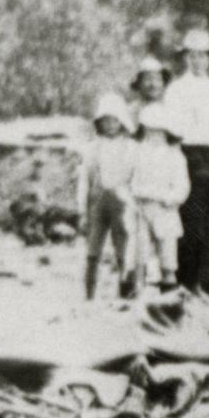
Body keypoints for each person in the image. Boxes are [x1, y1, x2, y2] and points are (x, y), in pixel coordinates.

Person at [163, 29, 209, 294]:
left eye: (202, 56)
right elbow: (172, 128)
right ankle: (184, 282)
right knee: (189, 219)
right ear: (185, 58)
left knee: (206, 219)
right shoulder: (176, 89)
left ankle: (198, 283)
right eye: (193, 56)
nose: (197, 61)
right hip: (187, 154)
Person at [77, 93, 137, 301]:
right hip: (99, 201)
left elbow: (136, 176)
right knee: (93, 248)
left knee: (124, 248)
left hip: (122, 201)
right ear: (99, 123)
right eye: (105, 121)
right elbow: (84, 179)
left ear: (121, 121)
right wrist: (81, 210)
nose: (110, 125)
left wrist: (132, 201)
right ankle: (89, 294)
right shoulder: (93, 148)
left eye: (114, 120)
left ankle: (126, 294)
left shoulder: (130, 147)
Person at [129, 104, 190, 294]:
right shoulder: (137, 153)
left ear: (167, 132)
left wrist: (170, 199)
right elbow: (131, 180)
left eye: (159, 132)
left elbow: (182, 186)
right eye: (150, 131)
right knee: (141, 251)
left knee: (168, 252)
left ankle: (169, 286)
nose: (154, 136)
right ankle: (138, 287)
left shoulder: (175, 156)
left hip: (165, 209)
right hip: (143, 207)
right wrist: (137, 194)